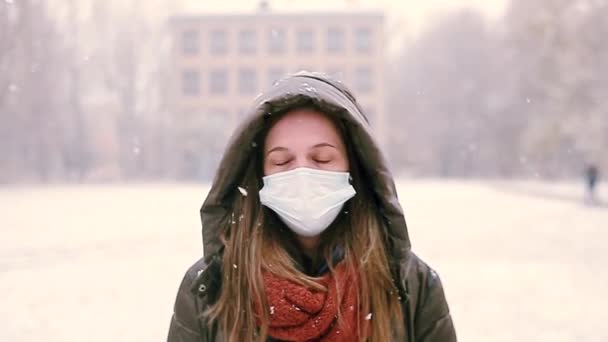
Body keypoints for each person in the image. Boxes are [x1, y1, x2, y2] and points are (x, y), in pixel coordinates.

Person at [167, 72, 456, 342]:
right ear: (260, 178)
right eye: (282, 162)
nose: (302, 173)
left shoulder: (411, 285)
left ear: (355, 169)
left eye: (322, 159)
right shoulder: (210, 287)